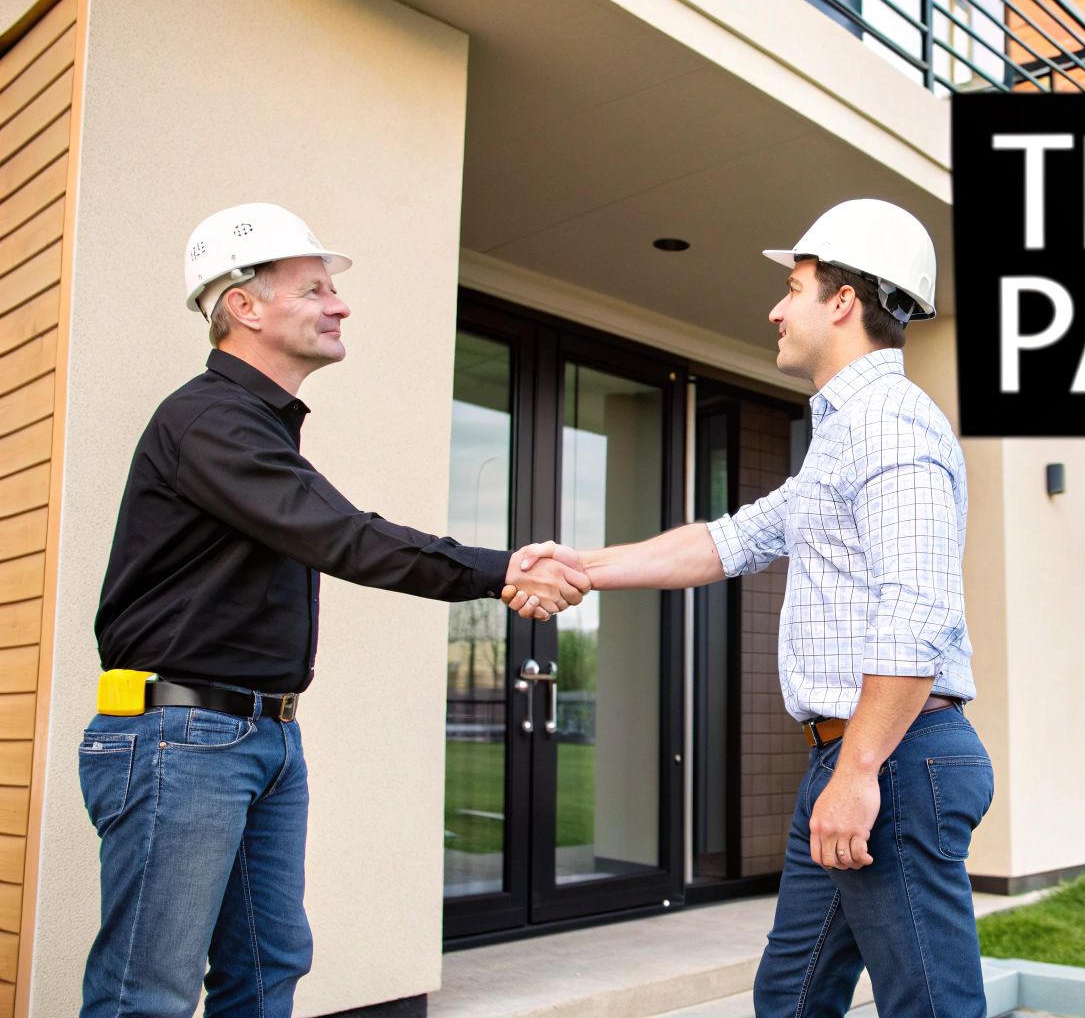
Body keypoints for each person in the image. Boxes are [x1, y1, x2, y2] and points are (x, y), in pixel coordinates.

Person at [77, 203, 589, 1017]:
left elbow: (331, 533)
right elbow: (342, 536)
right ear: (242, 305)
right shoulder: (211, 420)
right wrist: (504, 572)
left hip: (261, 733)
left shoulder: (258, 430)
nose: (340, 303)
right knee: (149, 993)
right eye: (313, 289)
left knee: (269, 963)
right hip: (184, 735)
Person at [508, 199, 993, 1017]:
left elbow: (917, 610)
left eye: (794, 286)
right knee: (791, 998)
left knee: (931, 1005)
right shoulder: (842, 435)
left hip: (892, 759)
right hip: (851, 757)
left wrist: (861, 771)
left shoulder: (890, 423)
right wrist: (580, 567)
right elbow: (731, 540)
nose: (775, 306)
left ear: (843, 301)